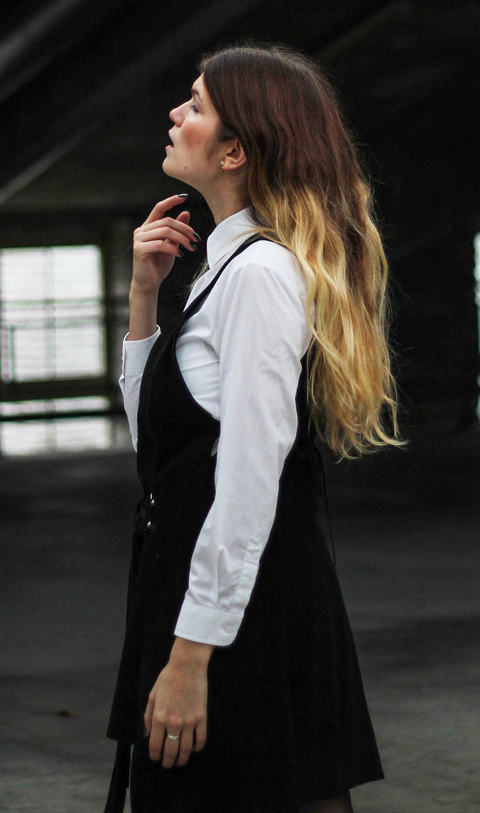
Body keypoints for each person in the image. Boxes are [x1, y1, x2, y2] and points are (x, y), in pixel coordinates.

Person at [103, 43, 403, 813]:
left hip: (243, 614)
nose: (176, 113)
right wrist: (143, 299)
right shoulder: (224, 269)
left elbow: (247, 476)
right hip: (208, 596)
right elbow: (161, 451)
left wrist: (191, 654)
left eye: (197, 104)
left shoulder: (260, 275)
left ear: (235, 151)